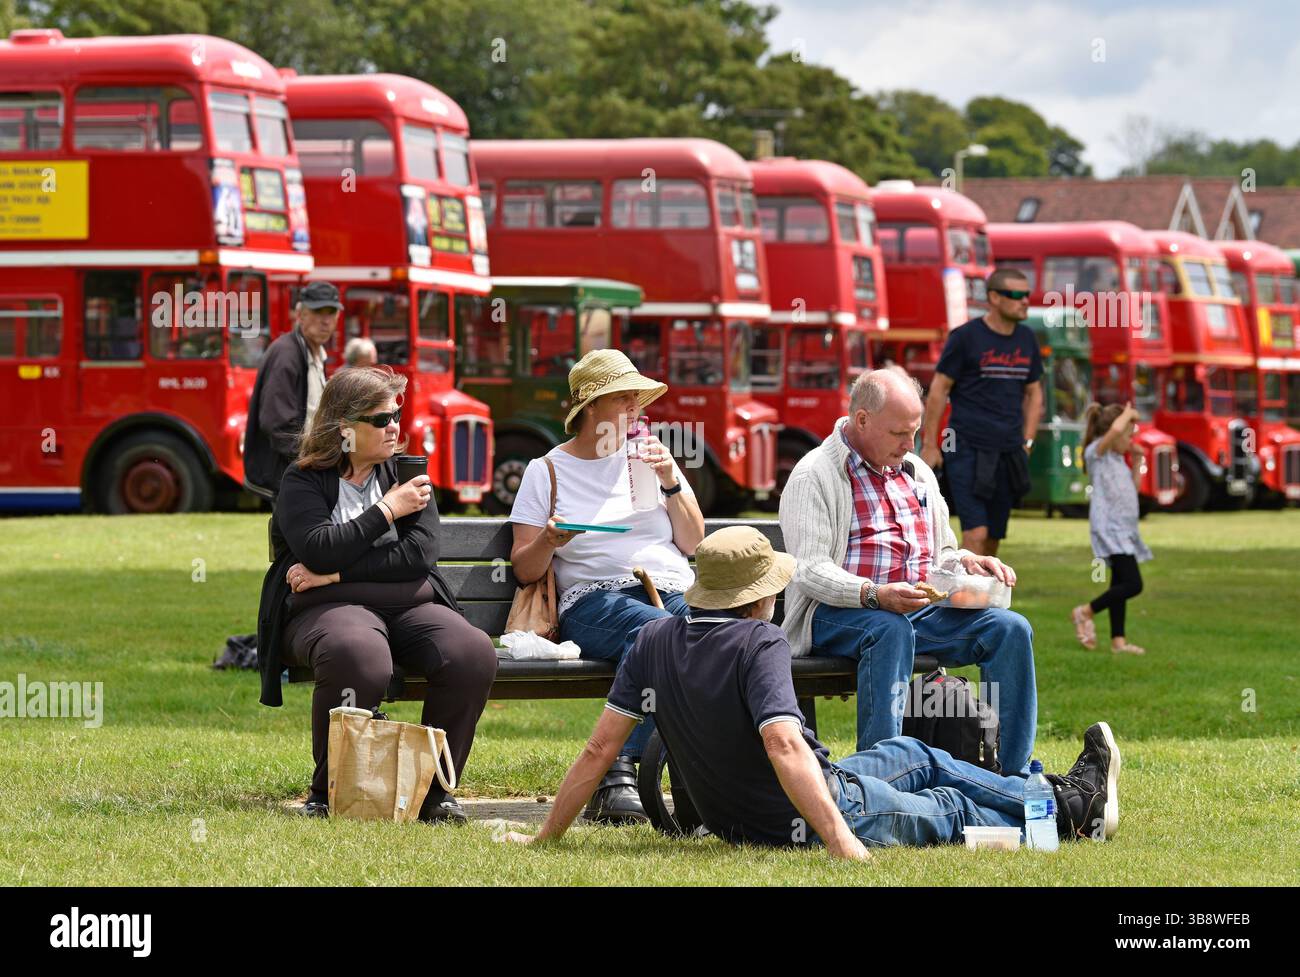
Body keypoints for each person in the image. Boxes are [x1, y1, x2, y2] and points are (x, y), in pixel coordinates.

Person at [501, 527, 1121, 856]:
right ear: (757, 597)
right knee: (951, 810)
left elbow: (597, 751)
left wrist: (543, 836)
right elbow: (783, 745)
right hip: (806, 810)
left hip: (739, 814)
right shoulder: (760, 643)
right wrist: (840, 840)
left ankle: (1050, 794)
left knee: (922, 756)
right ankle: (1070, 811)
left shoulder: (655, 639)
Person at [256, 366, 498, 822]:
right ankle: (330, 790)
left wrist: (334, 575)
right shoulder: (303, 480)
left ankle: (436, 791)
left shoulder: (406, 471)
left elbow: (417, 558)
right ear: (344, 428)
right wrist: (389, 510)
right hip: (328, 611)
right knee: (359, 654)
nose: (394, 428)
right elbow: (317, 548)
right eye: (381, 419)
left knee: (471, 653)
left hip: (404, 602)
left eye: (396, 416)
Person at [779, 369, 1038, 774]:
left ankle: (1014, 776)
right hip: (835, 614)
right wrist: (874, 595)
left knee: (1010, 629)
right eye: (899, 433)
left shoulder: (916, 471)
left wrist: (965, 562)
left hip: (916, 606)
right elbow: (809, 570)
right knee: (889, 628)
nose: (909, 443)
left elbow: (941, 552)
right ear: (862, 420)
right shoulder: (815, 474)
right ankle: (880, 779)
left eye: (914, 431)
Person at [509, 349, 705, 823]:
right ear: (591, 406)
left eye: (638, 401)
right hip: (595, 599)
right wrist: (550, 540)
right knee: (662, 636)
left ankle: (684, 771)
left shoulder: (652, 458)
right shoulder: (547, 470)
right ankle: (621, 767)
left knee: (716, 638)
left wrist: (671, 483)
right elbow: (523, 568)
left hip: (673, 587)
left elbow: (694, 541)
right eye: (624, 400)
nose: (635, 411)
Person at [920, 268, 1044, 557]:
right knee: (976, 534)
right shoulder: (965, 337)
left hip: (1009, 452)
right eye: (1016, 295)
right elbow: (939, 388)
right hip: (968, 450)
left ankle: (977, 598)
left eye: (1027, 294)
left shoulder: (1027, 339)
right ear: (994, 298)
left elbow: (1035, 391)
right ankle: (962, 601)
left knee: (993, 540)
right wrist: (930, 443)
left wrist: (1027, 442)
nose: (1025, 300)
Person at [244, 281, 342, 501]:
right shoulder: (286, 354)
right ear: (300, 314)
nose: (325, 320)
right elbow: (277, 424)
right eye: (318, 311)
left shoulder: (315, 353)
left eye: (331, 312)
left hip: (302, 472)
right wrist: (310, 462)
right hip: (289, 474)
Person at [1072, 402, 1151, 655]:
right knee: (1133, 583)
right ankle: (1085, 612)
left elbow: (1133, 489)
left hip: (1125, 529)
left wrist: (1137, 460)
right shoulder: (1098, 452)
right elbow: (1116, 431)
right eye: (1128, 436)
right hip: (1109, 528)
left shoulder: (1118, 459)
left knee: (1120, 582)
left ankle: (1118, 641)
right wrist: (1129, 414)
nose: (1130, 440)